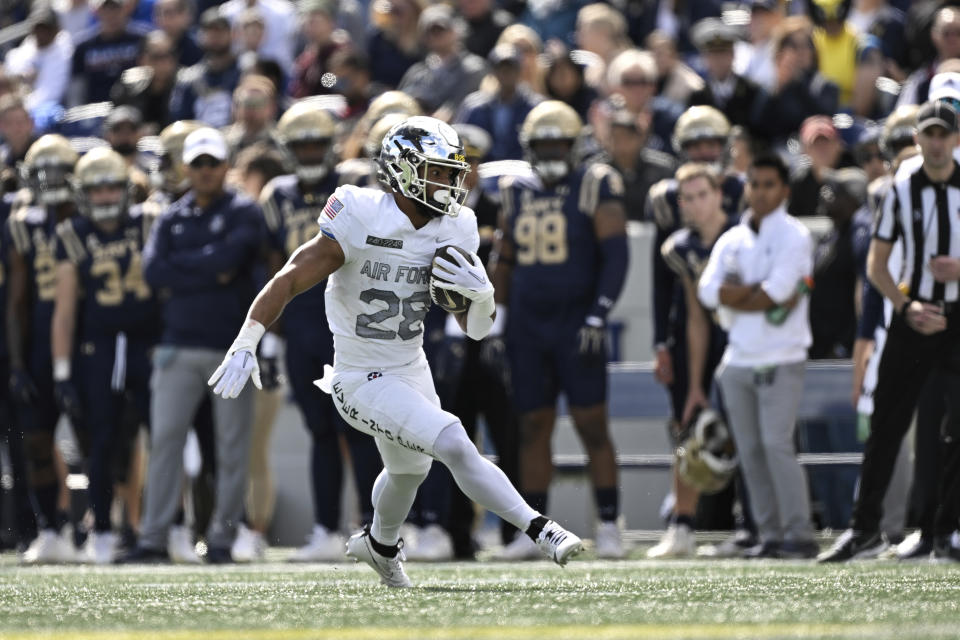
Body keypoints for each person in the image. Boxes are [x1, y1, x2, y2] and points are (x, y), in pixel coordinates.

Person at [208, 115, 583, 587]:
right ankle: (540, 528)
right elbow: (290, 277)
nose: (454, 181)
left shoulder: (458, 225)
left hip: (410, 365)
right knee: (452, 440)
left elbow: (475, 331)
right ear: (406, 170)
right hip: (357, 377)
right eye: (442, 171)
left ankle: (380, 546)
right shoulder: (361, 212)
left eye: (454, 170)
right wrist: (248, 338)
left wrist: (484, 297)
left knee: (408, 471)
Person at [821, 101, 960, 563]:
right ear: (918, 138)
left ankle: (946, 530)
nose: (936, 142)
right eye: (930, 134)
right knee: (886, 424)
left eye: (944, 133)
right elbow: (876, 265)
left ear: (955, 139)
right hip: (913, 316)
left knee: (956, 428)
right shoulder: (900, 190)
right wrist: (908, 306)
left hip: (958, 318)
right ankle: (864, 528)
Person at [490, 101, 628, 560]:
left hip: (576, 322)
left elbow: (616, 254)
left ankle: (609, 524)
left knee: (592, 424)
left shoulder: (595, 182)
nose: (550, 152)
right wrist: (498, 320)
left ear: (575, 145)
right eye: (542, 144)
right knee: (532, 426)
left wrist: (598, 314)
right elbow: (503, 260)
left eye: (558, 143)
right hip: (528, 327)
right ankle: (536, 532)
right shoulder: (514, 188)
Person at [126, 127, 265, 564]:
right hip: (178, 345)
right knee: (164, 442)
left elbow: (229, 262)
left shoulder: (244, 210)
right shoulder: (171, 215)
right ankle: (153, 538)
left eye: (213, 163)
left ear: (226, 166)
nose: (205, 172)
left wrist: (190, 267)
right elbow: (154, 273)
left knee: (230, 447)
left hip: (230, 349)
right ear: (186, 168)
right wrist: (210, 266)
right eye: (198, 164)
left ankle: (222, 539)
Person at [256, 102, 382, 562]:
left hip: (347, 324)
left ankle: (374, 530)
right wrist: (272, 334)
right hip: (302, 328)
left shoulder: (355, 187)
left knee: (360, 430)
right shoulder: (277, 195)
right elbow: (273, 266)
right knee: (320, 432)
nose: (309, 152)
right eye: (301, 144)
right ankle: (327, 528)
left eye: (316, 143)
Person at [698, 153, 818, 559]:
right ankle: (768, 535)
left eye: (769, 184)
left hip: (782, 357)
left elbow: (777, 294)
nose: (761, 192)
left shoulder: (796, 235)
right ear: (745, 188)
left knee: (775, 444)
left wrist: (739, 294)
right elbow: (706, 291)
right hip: (738, 359)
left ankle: (799, 534)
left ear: (784, 190)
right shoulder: (732, 237)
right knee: (749, 450)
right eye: (755, 183)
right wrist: (753, 294)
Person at [50, 148, 158, 564]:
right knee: (102, 440)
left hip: (147, 343)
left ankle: (170, 526)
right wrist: (61, 373)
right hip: (99, 348)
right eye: (97, 188)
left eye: (113, 185)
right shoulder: (73, 233)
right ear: (82, 193)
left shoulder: (149, 220)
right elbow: (64, 311)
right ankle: (104, 530)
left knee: (161, 436)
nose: (106, 195)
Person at [646, 163, 735, 559]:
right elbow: (696, 317)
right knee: (688, 430)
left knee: (747, 433)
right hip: (698, 343)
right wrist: (697, 383)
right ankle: (681, 525)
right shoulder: (680, 247)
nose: (697, 205)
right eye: (689, 198)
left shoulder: (742, 237)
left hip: (746, 343)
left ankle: (751, 524)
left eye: (704, 195)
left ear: (718, 195)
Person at [7, 135, 81, 564]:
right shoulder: (23, 222)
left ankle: (101, 529)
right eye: (43, 173)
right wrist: (17, 362)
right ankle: (51, 529)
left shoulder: (89, 212)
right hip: (39, 339)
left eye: (60, 171)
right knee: (36, 437)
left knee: (99, 437)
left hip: (86, 336)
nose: (51, 182)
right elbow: (17, 299)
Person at [455, 44, 542, 162]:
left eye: (511, 68)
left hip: (525, 172)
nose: (506, 72)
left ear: (520, 70)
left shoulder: (536, 108)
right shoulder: (474, 107)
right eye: (501, 68)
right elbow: (457, 148)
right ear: (493, 71)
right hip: (480, 173)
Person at [398, 4, 488, 118]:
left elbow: (465, 107)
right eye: (431, 31)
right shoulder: (417, 73)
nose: (436, 35)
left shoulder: (474, 68)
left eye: (441, 30)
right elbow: (400, 104)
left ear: (456, 30)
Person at [167, 8, 242, 129]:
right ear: (201, 35)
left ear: (232, 34)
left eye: (220, 32)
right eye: (210, 32)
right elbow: (180, 119)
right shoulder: (188, 78)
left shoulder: (244, 73)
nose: (215, 37)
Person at [68, 0, 149, 106]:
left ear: (126, 8)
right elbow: (77, 88)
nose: (111, 14)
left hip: (134, 108)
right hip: (96, 111)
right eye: (106, 9)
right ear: (97, 11)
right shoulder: (83, 46)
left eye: (116, 8)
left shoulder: (143, 39)